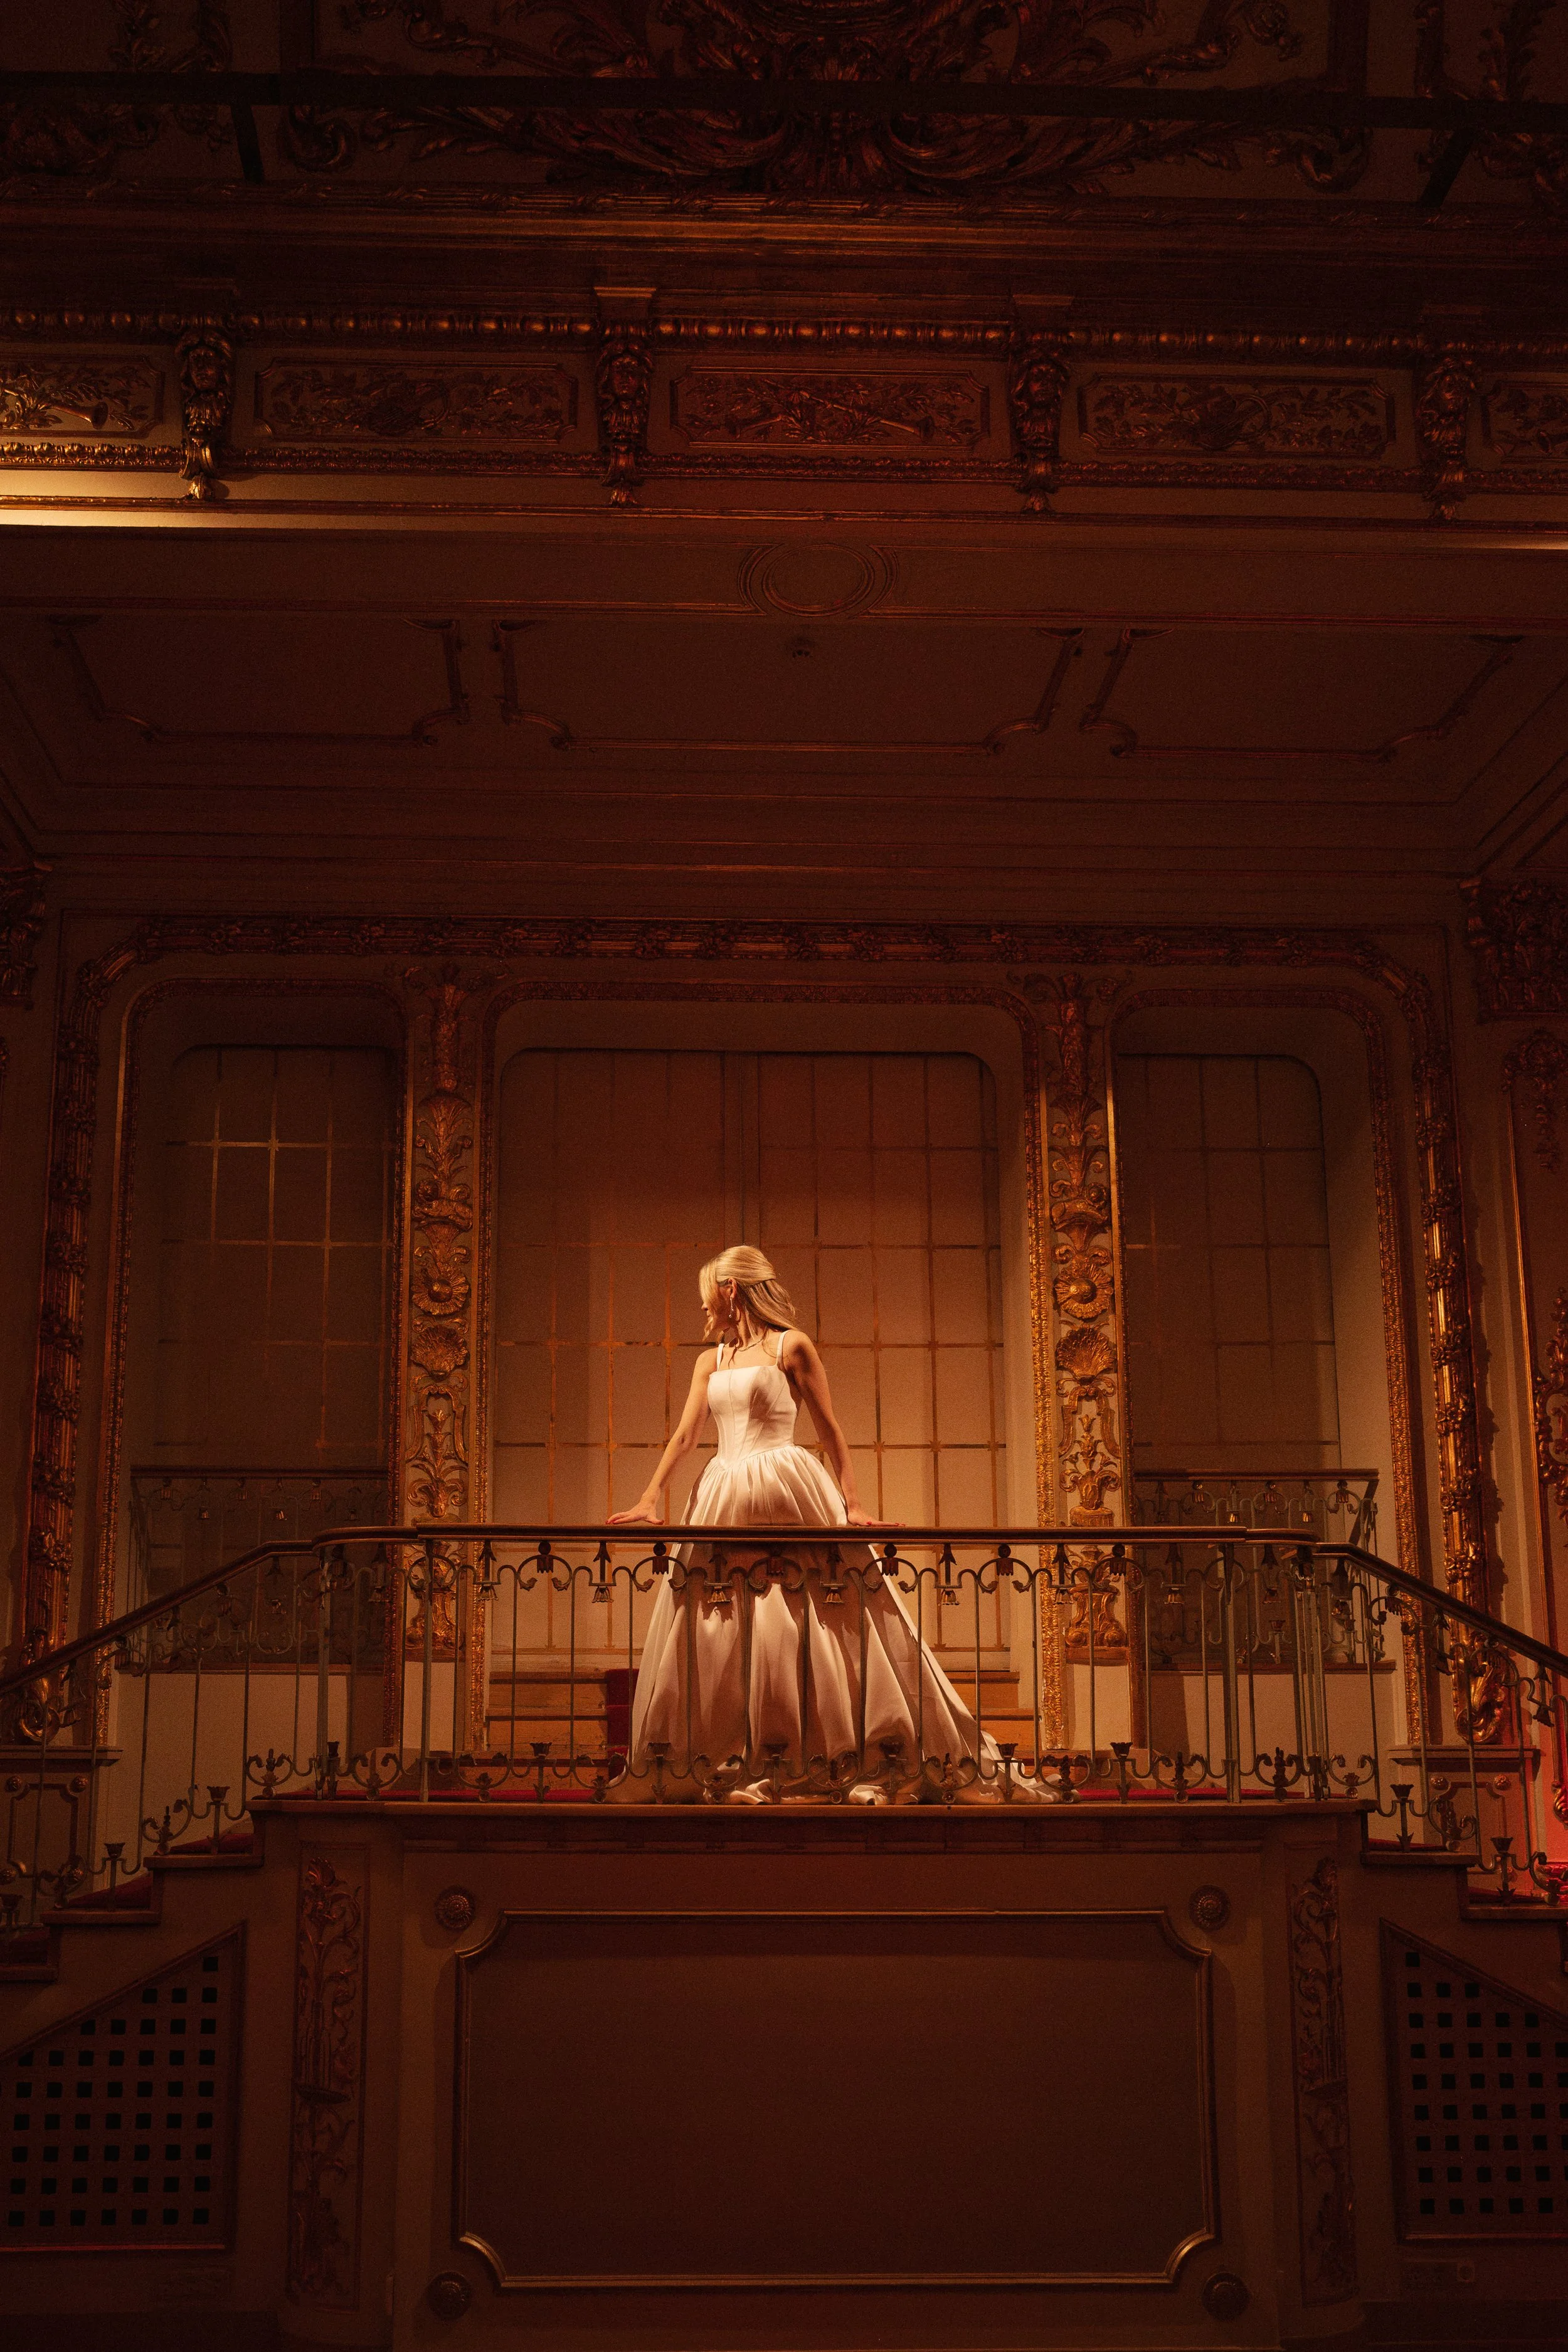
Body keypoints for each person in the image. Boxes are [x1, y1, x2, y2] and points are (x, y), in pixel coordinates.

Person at [607, 1244, 1034, 1803]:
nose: (704, 1307)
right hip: (722, 1493)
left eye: (708, 1294)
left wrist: (852, 1505)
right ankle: (729, 1750)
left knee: (810, 1614)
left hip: (788, 1487)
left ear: (732, 1289)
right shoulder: (710, 1361)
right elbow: (687, 1435)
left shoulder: (792, 1346)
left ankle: (831, 1749)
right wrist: (648, 1497)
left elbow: (830, 1429)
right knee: (722, 1620)